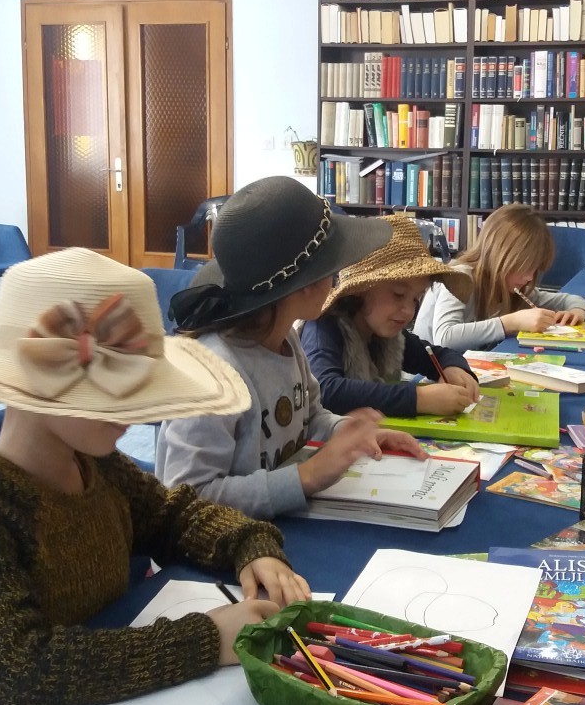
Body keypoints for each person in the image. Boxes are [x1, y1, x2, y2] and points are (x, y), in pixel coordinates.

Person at [0, 246, 311, 705]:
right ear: (43, 383)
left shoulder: (99, 465)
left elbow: (175, 516)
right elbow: (13, 671)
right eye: (116, 391)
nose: (137, 414)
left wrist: (251, 545)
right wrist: (207, 639)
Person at [156, 177, 426, 518]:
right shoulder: (212, 374)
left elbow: (308, 415)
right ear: (305, 285)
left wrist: (347, 433)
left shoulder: (285, 338)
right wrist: (306, 477)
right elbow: (187, 498)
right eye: (332, 266)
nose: (337, 276)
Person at [299, 212, 479, 417]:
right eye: (398, 294)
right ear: (361, 288)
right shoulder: (323, 327)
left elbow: (437, 354)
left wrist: (453, 367)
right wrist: (418, 399)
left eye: (415, 299)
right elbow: (327, 390)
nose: (409, 311)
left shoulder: (389, 335)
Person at [413, 205, 585, 353]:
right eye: (524, 267)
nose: (530, 277)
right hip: (427, 374)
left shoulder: (511, 289)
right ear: (501, 257)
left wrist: (576, 312)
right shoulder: (459, 277)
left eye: (535, 269)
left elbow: (570, 300)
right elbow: (445, 338)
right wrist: (511, 323)